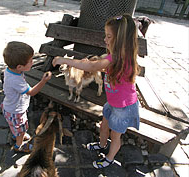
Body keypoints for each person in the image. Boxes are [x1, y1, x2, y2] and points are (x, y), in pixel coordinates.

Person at [52, 14, 140, 168]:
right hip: (112, 102)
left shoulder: (120, 58)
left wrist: (64, 60)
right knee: (104, 125)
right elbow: (102, 65)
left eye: (108, 36)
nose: (105, 40)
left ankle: (110, 157)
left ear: (120, 40)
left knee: (115, 134)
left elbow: (93, 67)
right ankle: (102, 143)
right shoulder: (115, 56)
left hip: (123, 107)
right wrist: (94, 62)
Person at [1, 41, 52, 153]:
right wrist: (43, 81)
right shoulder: (16, 80)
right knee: (21, 128)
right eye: (30, 61)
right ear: (19, 66)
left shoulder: (10, 70)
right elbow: (32, 92)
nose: (32, 62)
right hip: (16, 111)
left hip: (9, 107)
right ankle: (19, 145)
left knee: (15, 126)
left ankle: (17, 135)